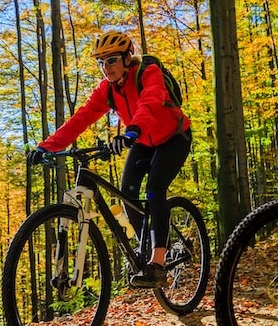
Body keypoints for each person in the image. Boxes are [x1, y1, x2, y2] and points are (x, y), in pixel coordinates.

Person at [28, 31, 192, 288]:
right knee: (127, 195)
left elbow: (150, 101)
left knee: (154, 190)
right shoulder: (107, 90)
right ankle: (146, 251)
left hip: (174, 136)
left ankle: (158, 262)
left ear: (128, 58)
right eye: (102, 62)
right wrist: (45, 147)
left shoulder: (147, 73)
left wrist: (132, 131)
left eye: (112, 60)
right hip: (142, 140)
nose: (107, 67)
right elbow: (80, 119)